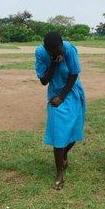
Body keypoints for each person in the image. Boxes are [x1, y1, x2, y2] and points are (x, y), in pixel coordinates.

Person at [35, 32, 86, 189]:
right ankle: (59, 173)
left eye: (61, 48)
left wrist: (63, 96)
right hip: (54, 94)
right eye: (58, 50)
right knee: (59, 133)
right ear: (48, 50)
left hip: (71, 91)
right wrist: (54, 63)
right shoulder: (41, 53)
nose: (62, 51)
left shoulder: (69, 49)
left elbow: (74, 74)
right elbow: (44, 80)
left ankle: (63, 154)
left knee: (74, 129)